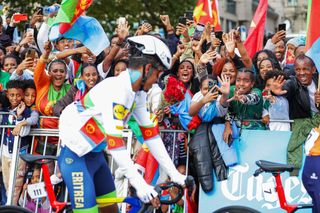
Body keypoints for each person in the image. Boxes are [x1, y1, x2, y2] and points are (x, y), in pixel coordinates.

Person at [58, 35, 187, 213]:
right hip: (75, 157)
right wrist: (140, 185)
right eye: (158, 75)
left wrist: (175, 174)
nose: (157, 81)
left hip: (95, 155)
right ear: (148, 68)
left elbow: (151, 136)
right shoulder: (117, 90)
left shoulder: (137, 93)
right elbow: (116, 144)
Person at [1, 80, 31, 205]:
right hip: (5, 152)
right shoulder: (5, 111)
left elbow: (23, 132)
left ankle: (11, 207)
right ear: (7, 95)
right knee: (7, 182)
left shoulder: (26, 112)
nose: (15, 98)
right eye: (12, 95)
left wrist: (19, 116)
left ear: (23, 95)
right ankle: (9, 205)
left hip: (19, 153)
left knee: (17, 183)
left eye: (18, 95)